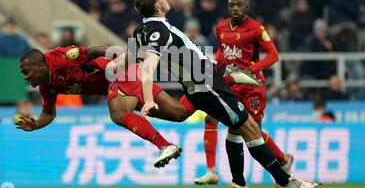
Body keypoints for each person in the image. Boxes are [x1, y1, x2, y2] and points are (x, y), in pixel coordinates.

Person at [130, 0, 318, 188]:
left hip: (206, 80)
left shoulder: (141, 30)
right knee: (249, 127)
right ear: (157, 7)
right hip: (206, 85)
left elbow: (130, 57)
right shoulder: (158, 31)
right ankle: (283, 180)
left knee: (235, 129)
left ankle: (239, 183)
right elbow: (148, 66)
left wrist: (110, 68)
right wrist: (149, 99)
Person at [16, 45, 257, 169]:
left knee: (119, 113)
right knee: (180, 113)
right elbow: (48, 112)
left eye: (26, 72)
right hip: (128, 81)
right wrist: (35, 124)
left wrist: (124, 55)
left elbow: (92, 51)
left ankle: (165, 145)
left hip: (119, 73)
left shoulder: (58, 57)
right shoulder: (46, 87)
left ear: (40, 64)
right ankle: (223, 77)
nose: (26, 77)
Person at [194, 0, 294, 186]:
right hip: (231, 84)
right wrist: (213, 68)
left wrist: (251, 70)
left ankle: (283, 160)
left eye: (239, 5)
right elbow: (224, 50)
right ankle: (211, 171)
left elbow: (273, 56)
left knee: (254, 132)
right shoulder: (221, 27)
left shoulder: (256, 29)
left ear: (246, 8)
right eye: (232, 5)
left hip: (252, 86)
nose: (236, 8)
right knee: (211, 117)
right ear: (228, 8)